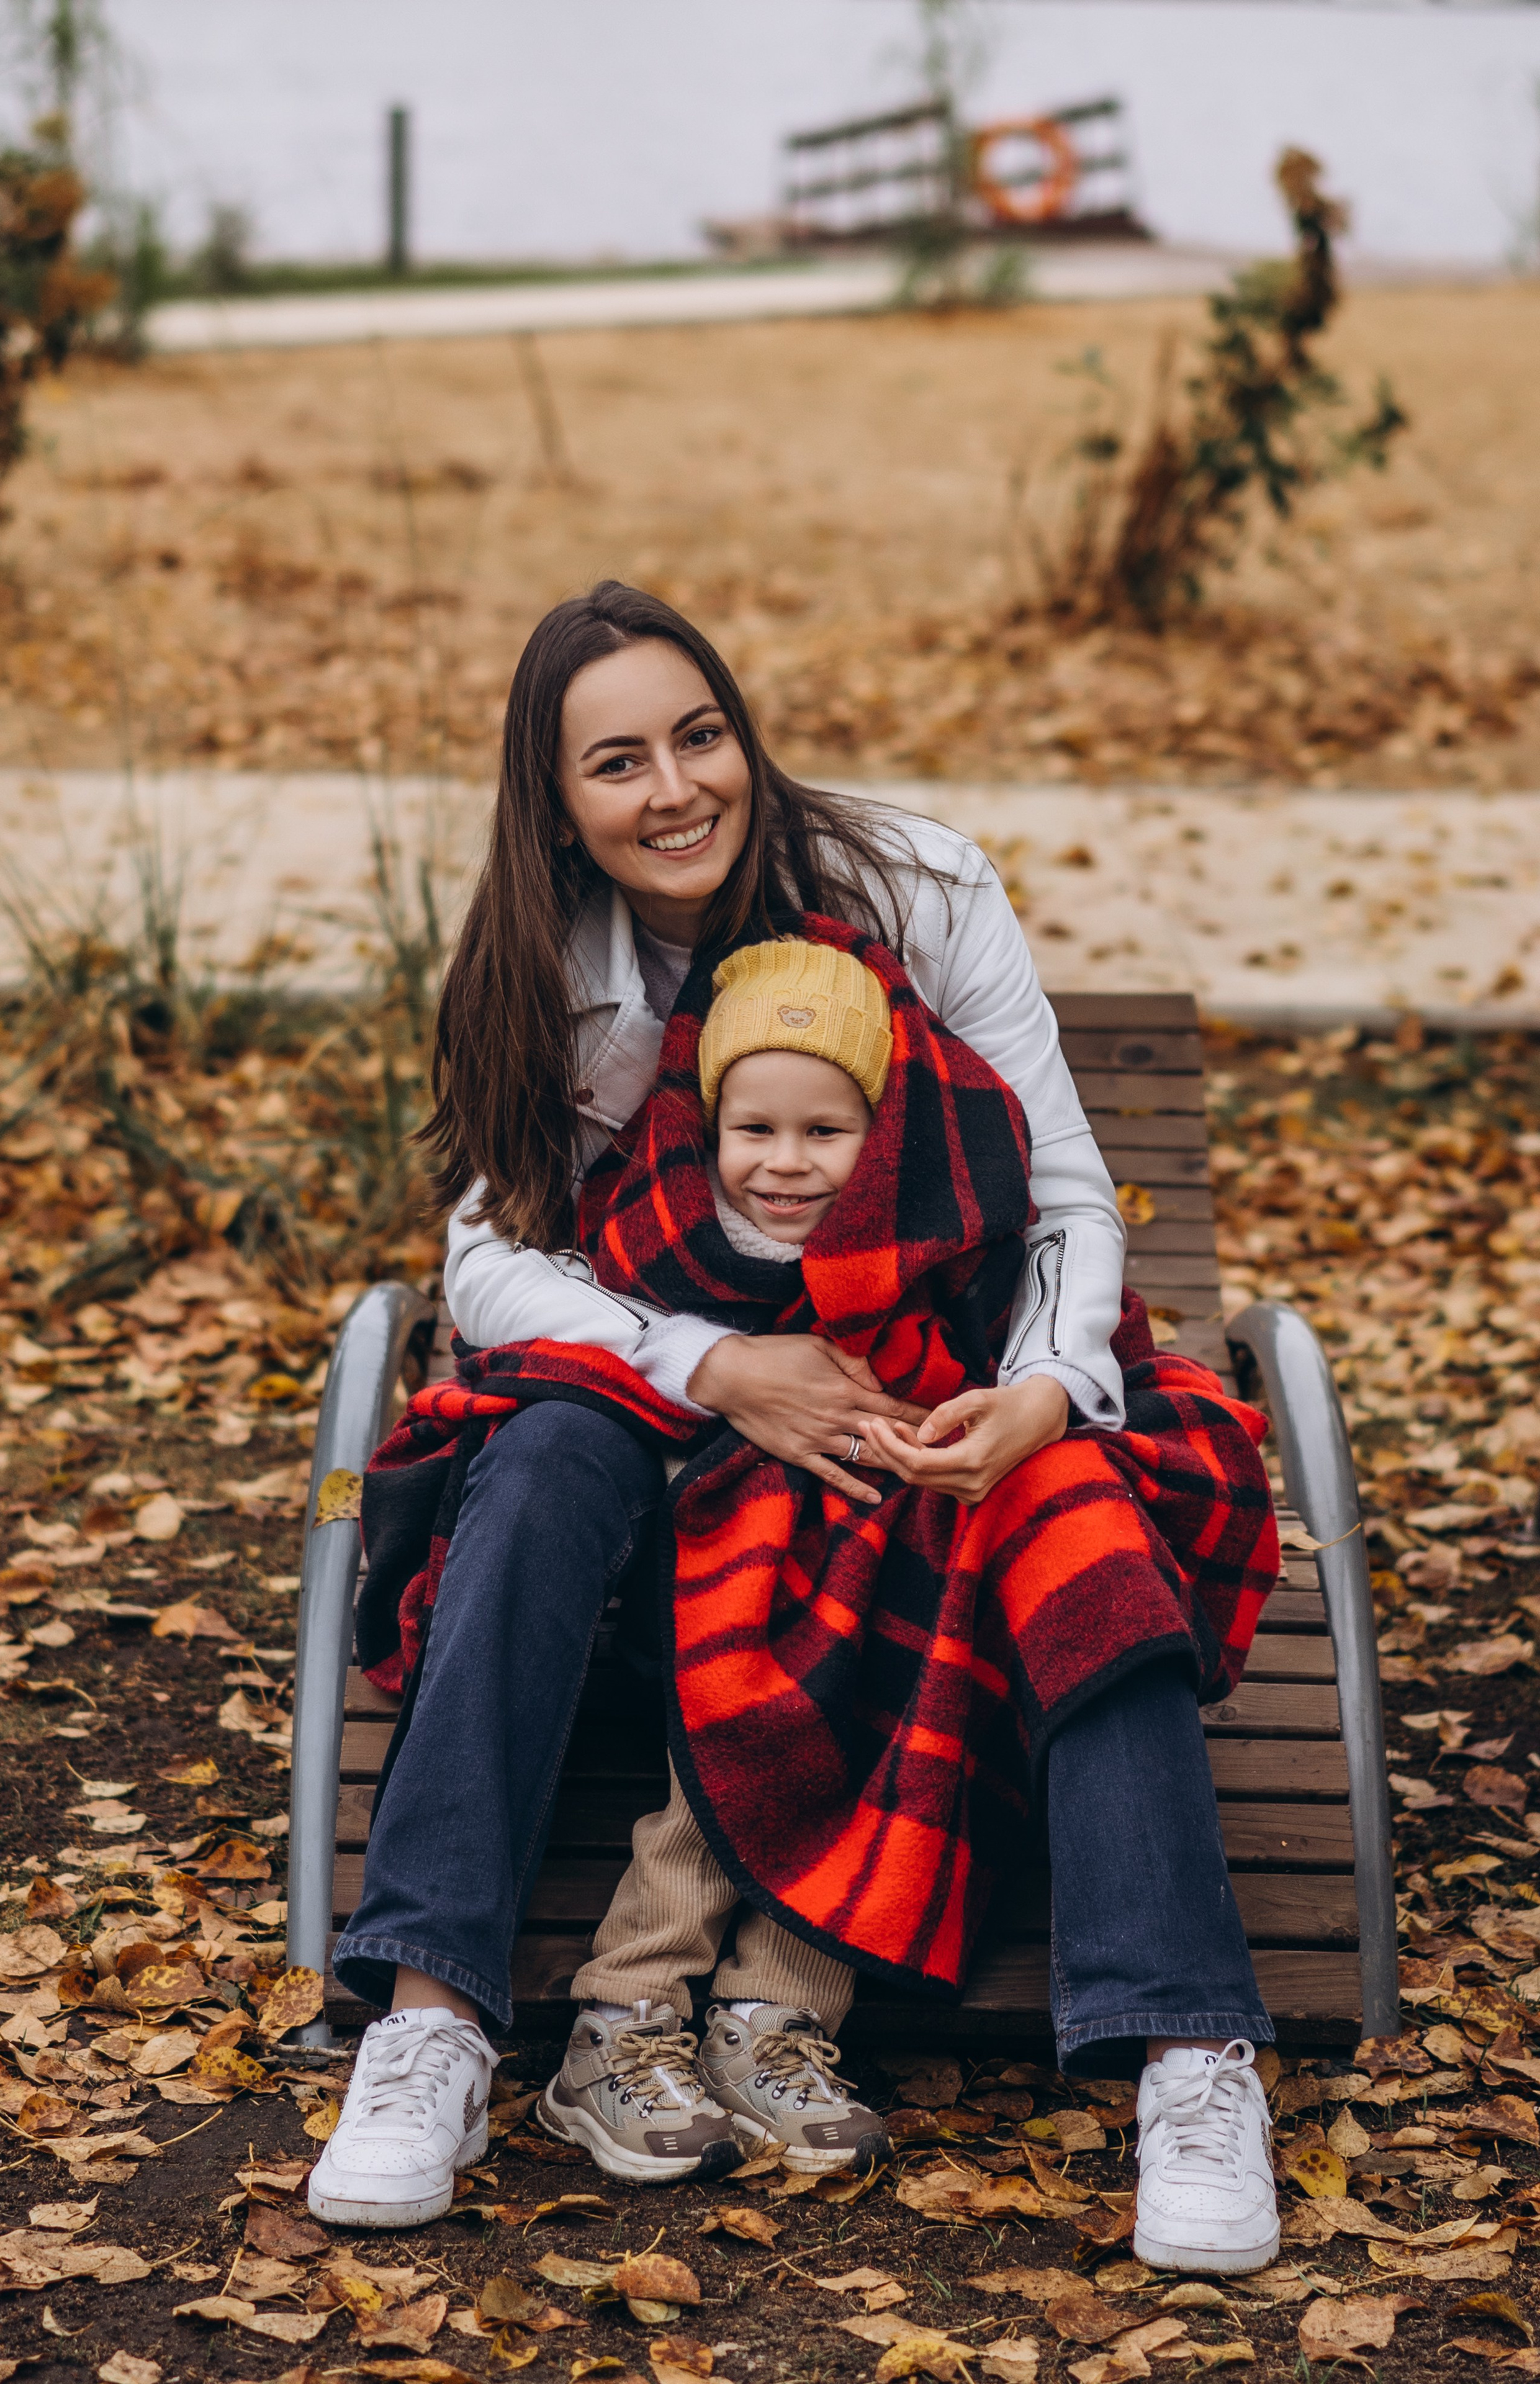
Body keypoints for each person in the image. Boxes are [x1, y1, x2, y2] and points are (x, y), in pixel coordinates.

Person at [310, 580, 1281, 2277]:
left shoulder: (914, 886)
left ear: (744, 738)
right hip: (675, 1403)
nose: (675, 787)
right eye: (618, 762)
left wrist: (1038, 1389)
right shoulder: (545, 966)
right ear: (556, 802)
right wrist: (713, 1367)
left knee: (1073, 1507)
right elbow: (489, 1263)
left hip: (934, 1376)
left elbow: (1064, 1195)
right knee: (533, 1468)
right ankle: (428, 2026)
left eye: (700, 737)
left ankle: (1193, 2056)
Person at [541, 938, 896, 2182]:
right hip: (689, 1589)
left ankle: (774, 2016)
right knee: (741, 1721)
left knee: (867, 1698)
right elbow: (604, 1387)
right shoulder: (655, 1243)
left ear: (877, 1138)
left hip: (862, 1595)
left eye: (825, 1133)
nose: (785, 1163)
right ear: (708, 1126)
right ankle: (624, 2008)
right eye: (755, 1129)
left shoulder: (909, 1260)